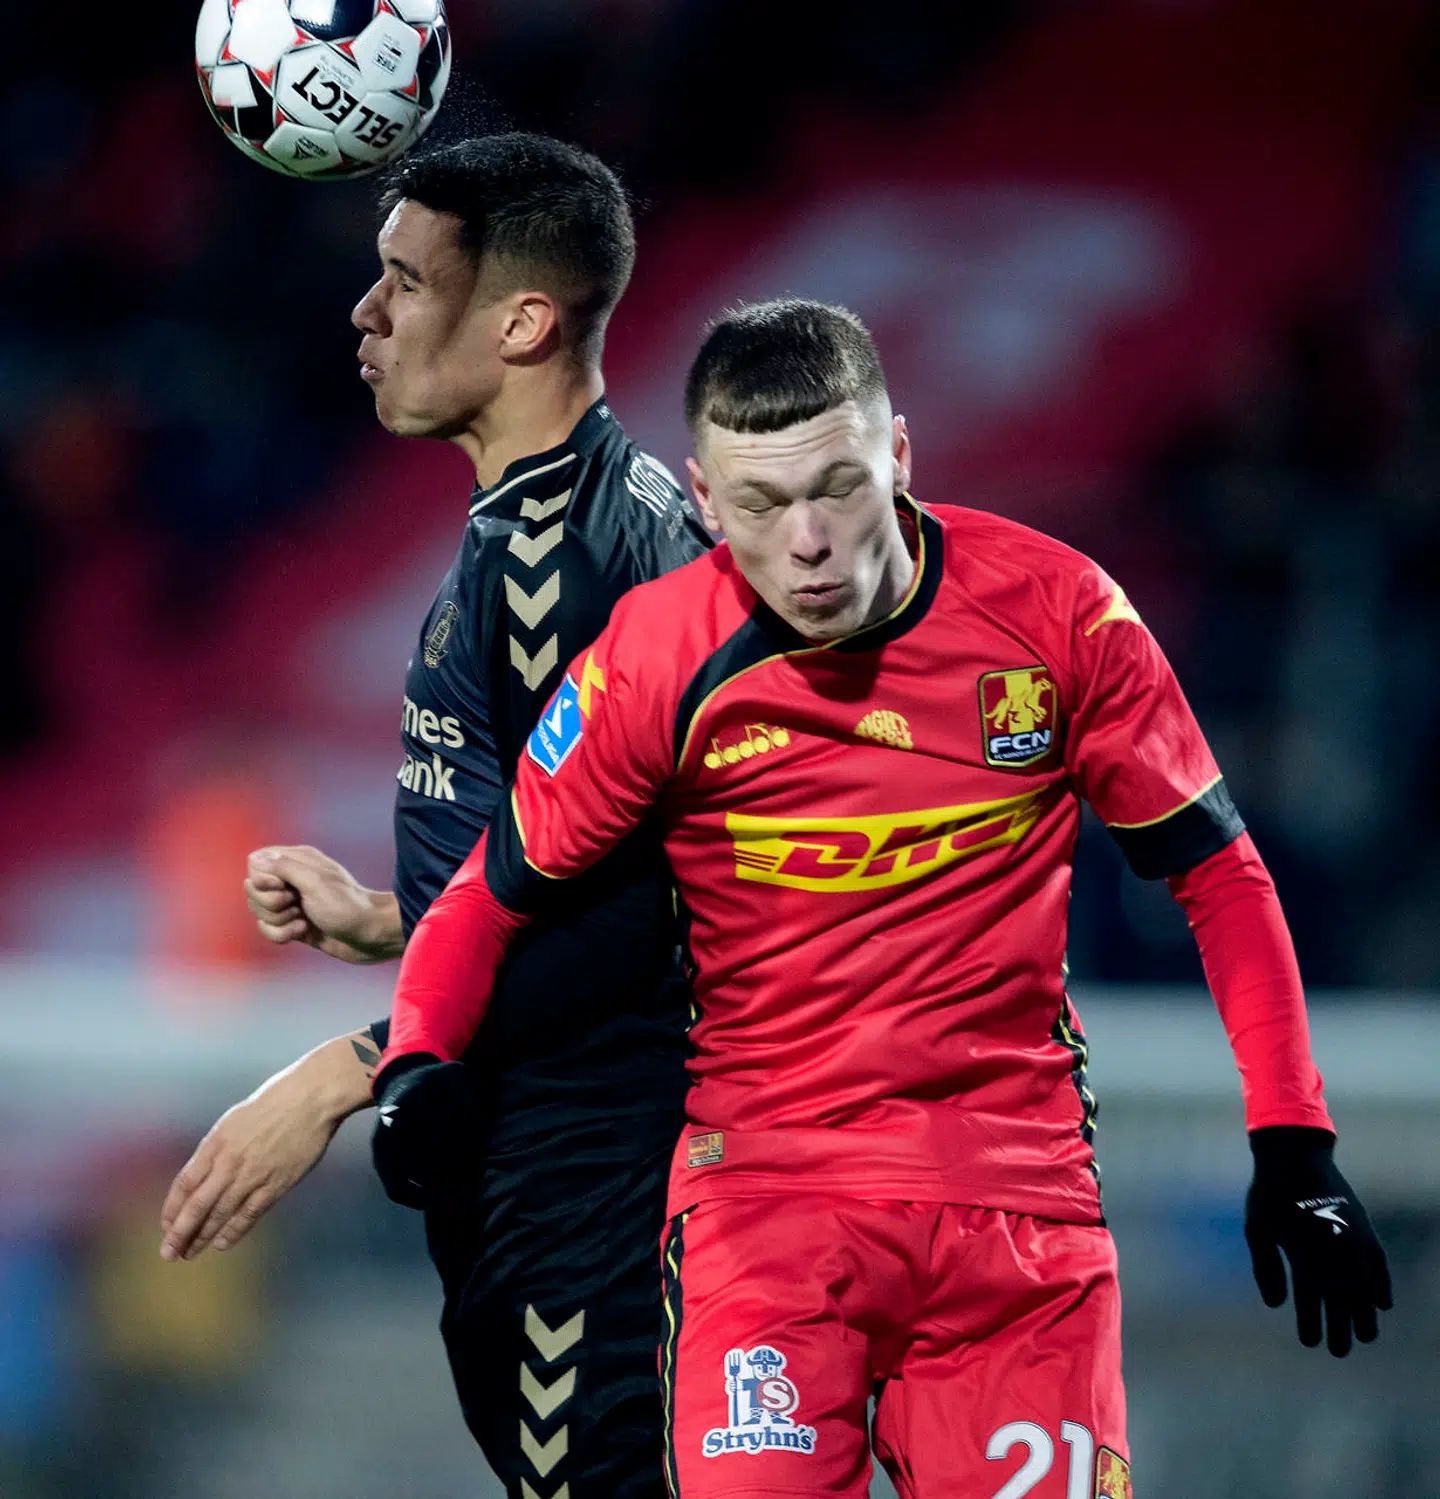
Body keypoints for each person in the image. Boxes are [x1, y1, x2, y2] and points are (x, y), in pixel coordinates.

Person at [372, 298, 1393, 1499]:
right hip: (768, 1207)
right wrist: (416, 1060)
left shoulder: (1059, 613)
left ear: (899, 456)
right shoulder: (656, 657)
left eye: (839, 486)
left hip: (1019, 1218)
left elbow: (1218, 872)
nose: (807, 540)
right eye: (760, 504)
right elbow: (487, 900)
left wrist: (1293, 1140)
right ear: (704, 499)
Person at [159, 134, 711, 1499]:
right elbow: (608, 860)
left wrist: (346, 1069)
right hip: (567, 1177)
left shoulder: (562, 561)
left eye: (405, 282)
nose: (366, 313)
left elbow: (637, 927)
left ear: (521, 321)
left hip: (594, 1187)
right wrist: (399, 914)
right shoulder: (586, 517)